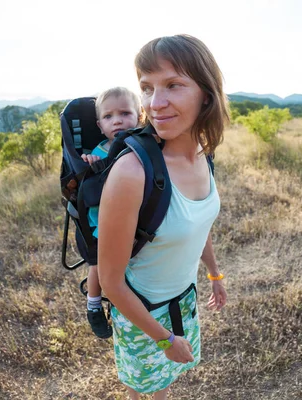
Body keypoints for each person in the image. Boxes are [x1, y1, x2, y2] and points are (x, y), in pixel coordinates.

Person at [97, 35, 230, 400]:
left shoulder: (204, 154)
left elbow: (198, 224)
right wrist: (165, 338)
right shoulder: (131, 173)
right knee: (142, 389)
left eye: (173, 85)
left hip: (183, 300)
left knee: (165, 384)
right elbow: (110, 281)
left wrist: (214, 274)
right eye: (146, 88)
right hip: (142, 313)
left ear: (206, 93)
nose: (155, 104)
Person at [81, 87, 142, 339]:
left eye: (125, 113)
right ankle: (94, 305)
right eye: (108, 117)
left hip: (135, 218)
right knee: (99, 264)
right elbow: (88, 187)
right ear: (100, 125)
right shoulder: (97, 153)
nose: (117, 120)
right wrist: (91, 165)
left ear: (140, 116)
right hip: (103, 223)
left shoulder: (143, 143)